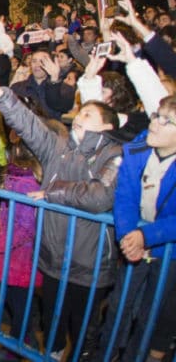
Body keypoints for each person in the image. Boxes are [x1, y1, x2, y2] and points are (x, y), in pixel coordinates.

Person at [0, 71, 122, 360]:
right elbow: (30, 126)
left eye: (90, 114)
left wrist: (52, 193)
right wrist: (1, 95)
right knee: (52, 325)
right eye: (82, 111)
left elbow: (101, 196)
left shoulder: (115, 154)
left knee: (82, 331)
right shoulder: (59, 148)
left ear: (107, 125)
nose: (81, 115)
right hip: (53, 259)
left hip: (88, 265)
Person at [94, 88, 176, 361]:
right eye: (156, 115)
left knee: (151, 312)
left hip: (168, 252)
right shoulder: (137, 150)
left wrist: (146, 235)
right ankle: (105, 354)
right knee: (118, 305)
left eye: (167, 121)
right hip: (134, 242)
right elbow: (125, 196)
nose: (154, 123)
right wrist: (129, 235)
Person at [0, 134, 43, 362]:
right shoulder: (18, 179)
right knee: (16, 305)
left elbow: (23, 229)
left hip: (22, 261)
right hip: (15, 258)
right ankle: (25, 342)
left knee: (20, 308)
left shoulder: (26, 184)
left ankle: (15, 351)